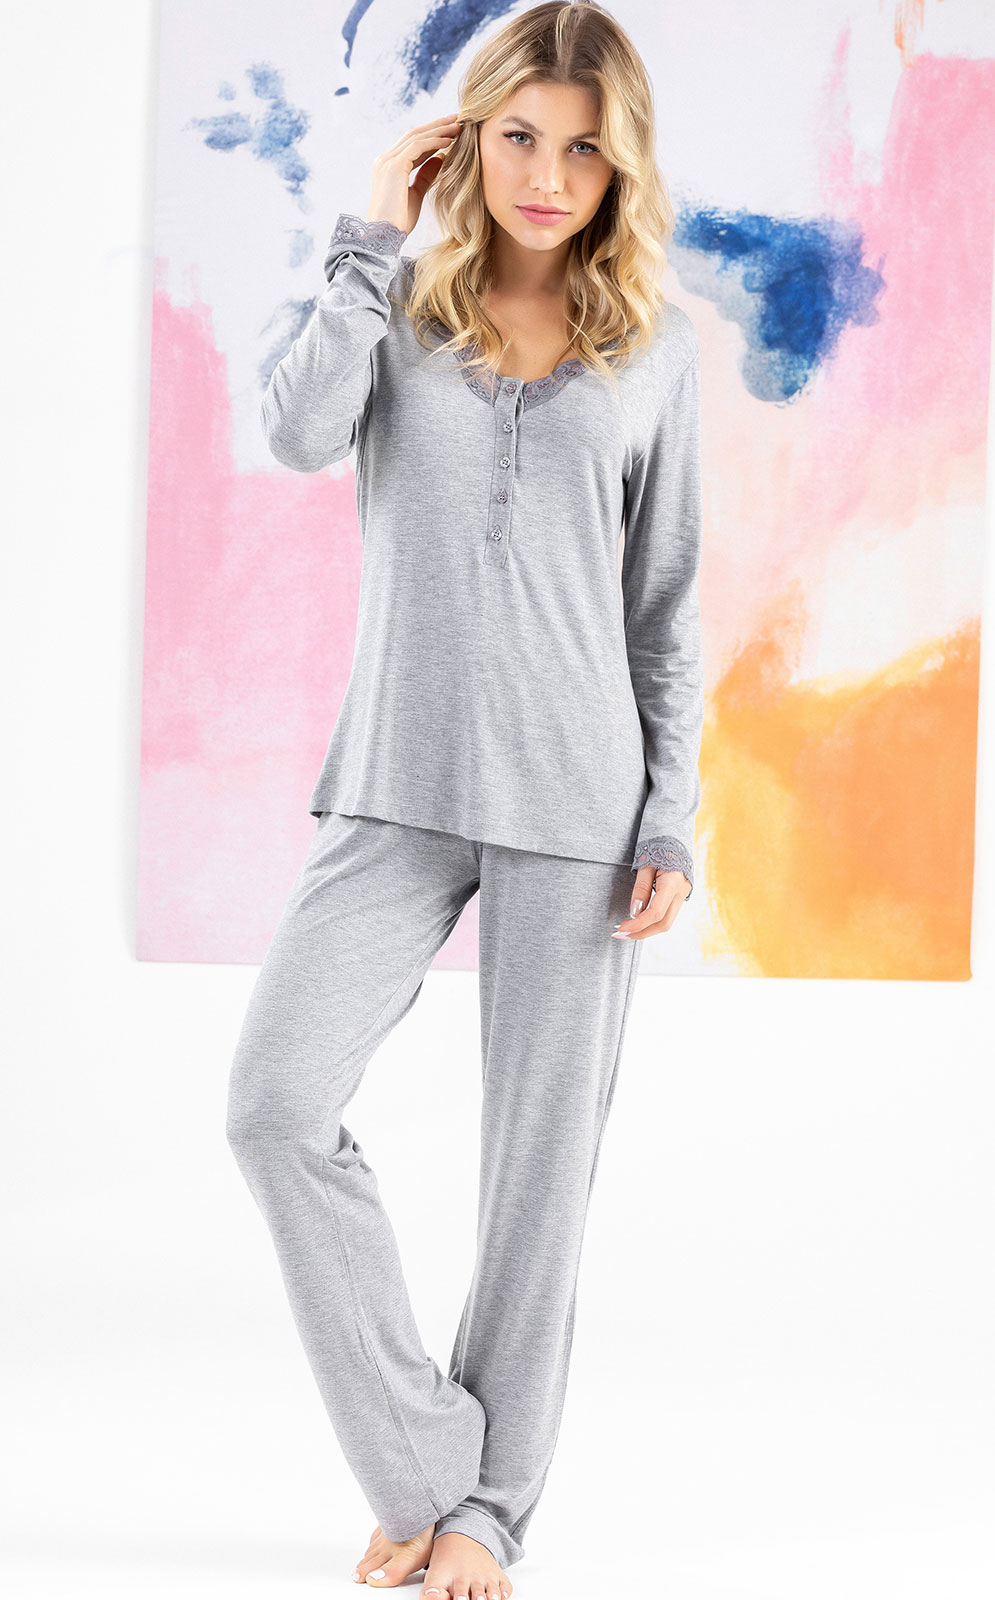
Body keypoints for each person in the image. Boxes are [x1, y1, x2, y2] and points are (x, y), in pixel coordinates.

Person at [226, 4, 704, 1597]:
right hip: (397, 782)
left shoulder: (654, 349)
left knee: (534, 1182)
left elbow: (665, 607)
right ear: (467, 138)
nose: (549, 175)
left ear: (618, 166)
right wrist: (372, 234)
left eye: (584, 148)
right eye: (520, 136)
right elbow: (295, 432)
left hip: (583, 802)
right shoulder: (396, 308)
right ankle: (430, 1470)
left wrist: (671, 810)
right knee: (276, 1105)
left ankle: (488, 1519)